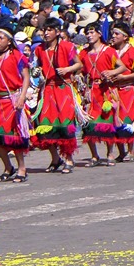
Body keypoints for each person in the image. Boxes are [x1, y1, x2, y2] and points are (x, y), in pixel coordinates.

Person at [32, 18, 82, 174]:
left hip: (63, 89)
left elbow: (79, 64)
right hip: (47, 90)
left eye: (49, 30)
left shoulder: (67, 46)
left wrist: (67, 69)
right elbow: (39, 65)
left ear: (57, 32)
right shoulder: (39, 49)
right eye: (44, 30)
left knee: (64, 125)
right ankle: (55, 158)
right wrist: (37, 71)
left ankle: (68, 159)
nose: (46, 33)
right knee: (46, 126)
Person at [0, 27, 31, 183]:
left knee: (14, 138)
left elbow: (26, 78)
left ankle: (21, 168)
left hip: (12, 100)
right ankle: (8, 167)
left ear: (9, 42)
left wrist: (22, 97)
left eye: (1, 38)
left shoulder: (18, 56)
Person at [79, 23, 126, 166]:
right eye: (87, 33)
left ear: (99, 34)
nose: (89, 35)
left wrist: (111, 72)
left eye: (92, 32)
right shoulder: (83, 53)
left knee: (107, 123)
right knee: (89, 124)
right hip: (90, 91)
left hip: (106, 91)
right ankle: (94, 156)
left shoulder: (109, 51)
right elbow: (79, 70)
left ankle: (110, 153)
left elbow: (122, 67)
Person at [108, 23, 134, 162]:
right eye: (113, 33)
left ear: (125, 36)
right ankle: (121, 152)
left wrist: (125, 77)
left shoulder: (132, 52)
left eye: (117, 34)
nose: (114, 36)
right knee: (115, 121)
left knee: (128, 120)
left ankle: (131, 150)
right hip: (113, 90)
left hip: (128, 89)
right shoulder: (110, 50)